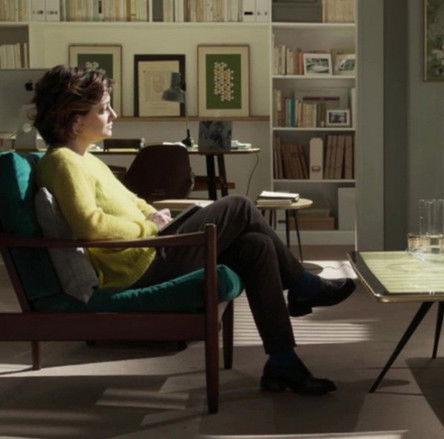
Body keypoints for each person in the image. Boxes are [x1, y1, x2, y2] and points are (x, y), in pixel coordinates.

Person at [32, 65, 355, 395]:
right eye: (103, 109)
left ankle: (283, 362)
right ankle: (302, 284)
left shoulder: (85, 158)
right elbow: (90, 225)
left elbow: (132, 200)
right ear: (75, 121)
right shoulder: (62, 162)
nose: (113, 114)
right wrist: (149, 226)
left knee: (256, 245)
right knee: (240, 206)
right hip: (137, 264)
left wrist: (154, 214)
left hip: (149, 247)